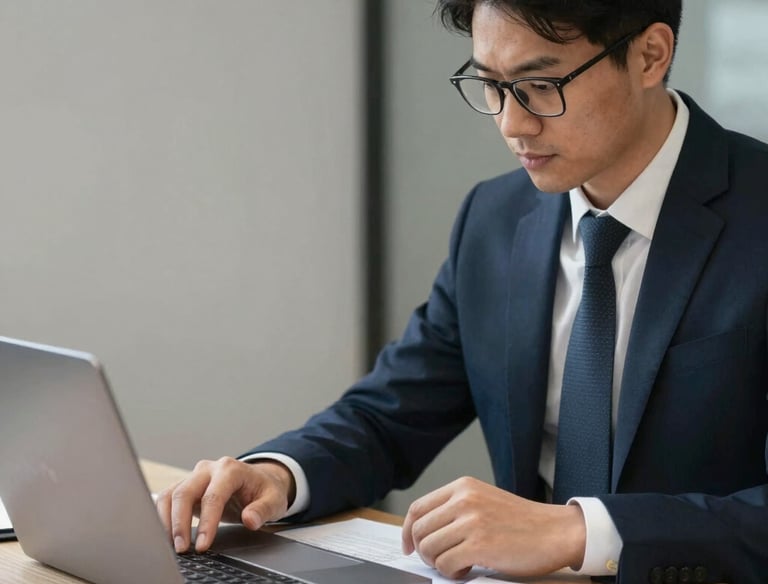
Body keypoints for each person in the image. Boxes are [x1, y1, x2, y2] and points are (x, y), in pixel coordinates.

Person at [157, 1, 768, 582]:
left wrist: (582, 532)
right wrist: (276, 476)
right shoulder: (495, 219)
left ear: (649, 55)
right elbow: (388, 415)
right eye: (490, 85)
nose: (511, 122)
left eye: (540, 85)